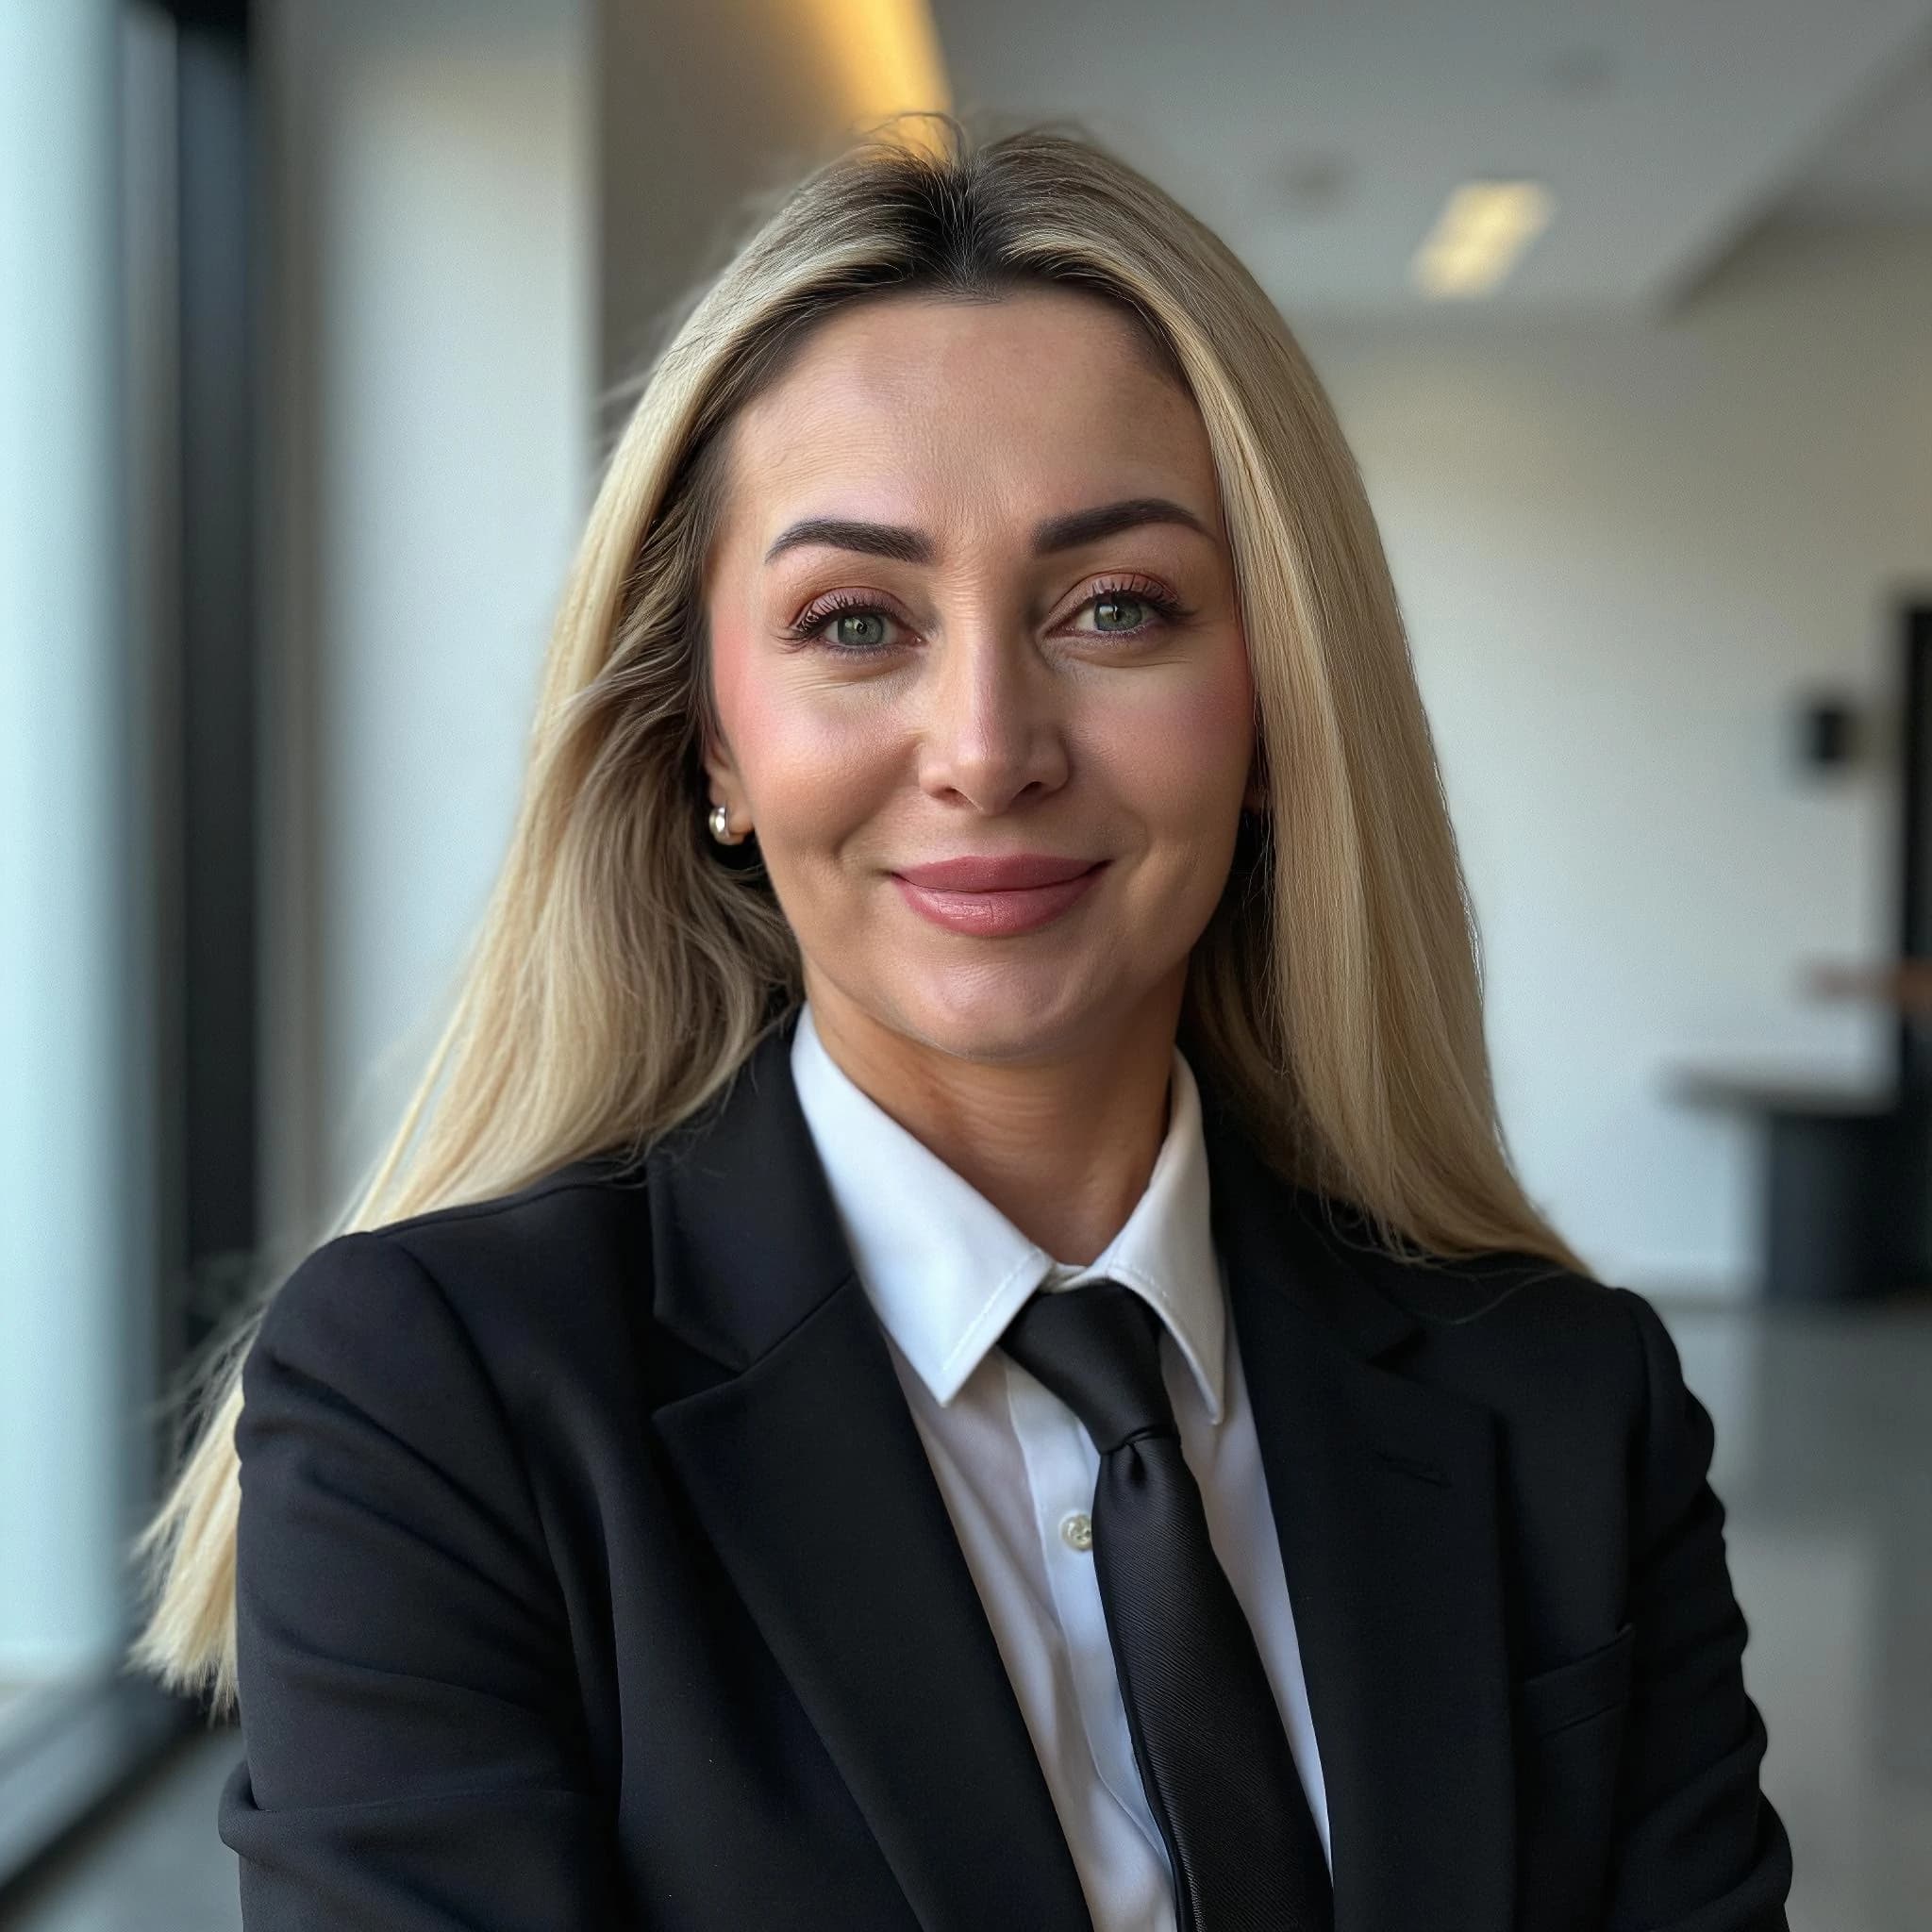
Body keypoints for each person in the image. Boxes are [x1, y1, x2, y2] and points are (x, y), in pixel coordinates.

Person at [129, 117, 1792, 1931]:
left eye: (1117, 608)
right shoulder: (439, 1399)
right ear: (712, 742)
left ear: (1274, 707)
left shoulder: (1564, 1400)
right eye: (856, 621)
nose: (989, 747)